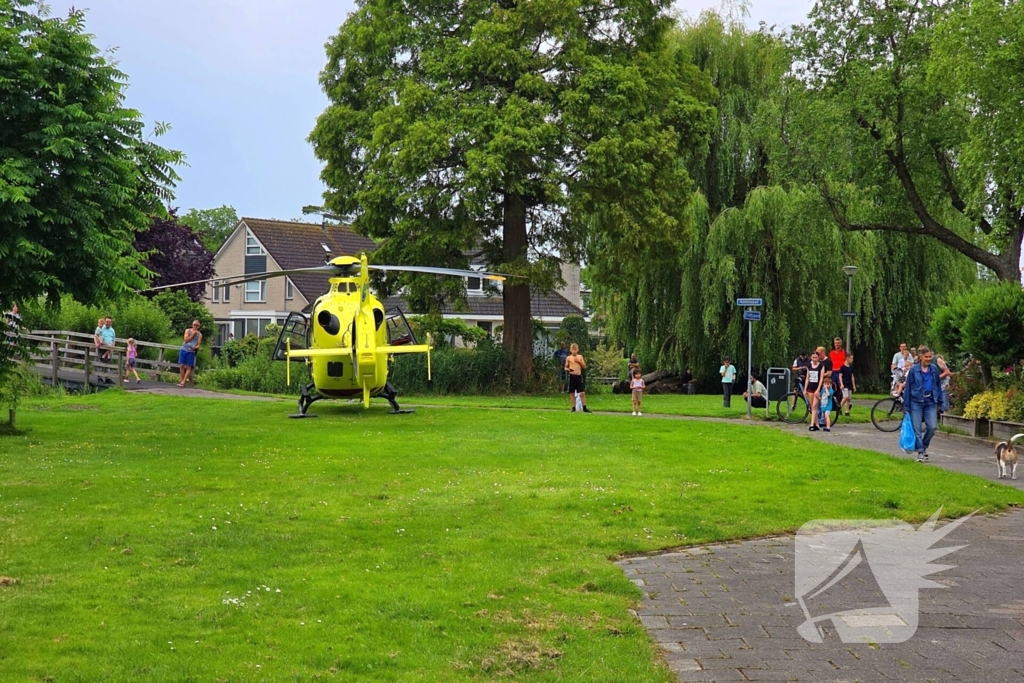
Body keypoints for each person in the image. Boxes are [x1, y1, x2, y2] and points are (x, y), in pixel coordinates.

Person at [903, 345, 943, 462]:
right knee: (917, 429)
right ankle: (920, 452)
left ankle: (924, 446)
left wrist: (940, 400)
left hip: (930, 401)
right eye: (926, 357)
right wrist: (906, 406)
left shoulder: (934, 369)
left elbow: (937, 386)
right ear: (921, 357)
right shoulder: (914, 370)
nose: (929, 359)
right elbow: (908, 388)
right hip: (916, 401)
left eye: (930, 356)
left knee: (932, 427)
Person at [565, 342, 590, 412]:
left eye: (575, 349)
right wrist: (568, 369)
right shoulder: (568, 358)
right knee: (572, 392)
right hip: (572, 376)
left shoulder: (580, 357)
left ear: (577, 350)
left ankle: (584, 407)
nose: (574, 351)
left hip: (578, 376)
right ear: (570, 350)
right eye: (573, 349)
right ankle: (573, 408)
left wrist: (579, 361)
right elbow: (565, 367)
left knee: (582, 393)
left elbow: (584, 366)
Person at [177, 320, 202, 387]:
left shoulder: (199, 334)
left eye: (197, 325)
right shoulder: (188, 331)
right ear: (192, 325)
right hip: (184, 348)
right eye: (194, 325)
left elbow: (198, 344)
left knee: (188, 366)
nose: (195, 326)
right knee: (182, 365)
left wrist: (195, 347)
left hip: (191, 351)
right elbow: (186, 340)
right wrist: (193, 335)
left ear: (199, 326)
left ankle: (184, 381)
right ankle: (182, 380)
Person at [804, 351, 824, 431]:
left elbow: (821, 378)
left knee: (815, 406)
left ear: (818, 358)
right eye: (813, 357)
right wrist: (805, 389)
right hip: (810, 388)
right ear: (811, 358)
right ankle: (817, 424)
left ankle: (812, 424)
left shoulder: (821, 366)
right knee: (812, 407)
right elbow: (807, 378)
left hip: (817, 388)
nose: (815, 359)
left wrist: (818, 389)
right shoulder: (808, 366)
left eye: (816, 357)